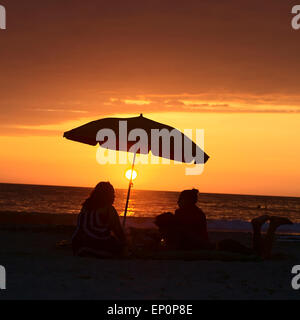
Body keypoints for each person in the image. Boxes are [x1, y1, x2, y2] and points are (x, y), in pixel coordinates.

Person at [155, 189, 293, 259]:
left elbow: (175, 242)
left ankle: (263, 227)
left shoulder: (182, 219)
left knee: (258, 255)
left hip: (221, 247)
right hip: (221, 245)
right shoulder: (195, 214)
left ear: (185, 201)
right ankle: (269, 226)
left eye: (179, 201)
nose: (177, 205)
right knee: (257, 253)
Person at [72, 182, 127, 258]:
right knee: (119, 246)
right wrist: (124, 242)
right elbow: (117, 229)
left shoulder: (85, 207)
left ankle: (87, 250)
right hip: (99, 242)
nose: (114, 196)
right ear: (105, 195)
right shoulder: (109, 209)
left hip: (78, 242)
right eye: (112, 193)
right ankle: (94, 251)